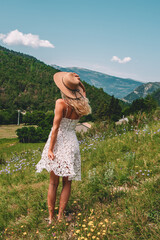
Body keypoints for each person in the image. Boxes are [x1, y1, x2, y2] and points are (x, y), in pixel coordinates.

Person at [36, 72, 91, 224]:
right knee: (67, 182)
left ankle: (51, 217)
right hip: (72, 142)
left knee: (53, 183)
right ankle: (61, 216)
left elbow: (55, 128)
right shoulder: (81, 105)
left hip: (59, 142)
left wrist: (50, 149)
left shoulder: (61, 103)